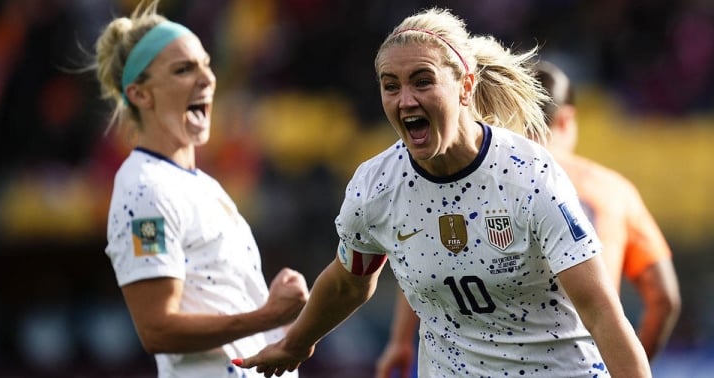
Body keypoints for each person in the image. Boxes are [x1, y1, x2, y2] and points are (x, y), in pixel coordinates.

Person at [237, 7, 651, 377]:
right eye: (390, 85)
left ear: (465, 86)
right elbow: (350, 281)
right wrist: (296, 343)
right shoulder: (376, 186)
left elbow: (601, 313)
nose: (405, 99)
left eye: (422, 81)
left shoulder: (529, 176)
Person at [374, 61, 681, 377]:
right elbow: (664, 297)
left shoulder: (471, 182)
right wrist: (627, 365)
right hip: (583, 359)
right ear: (567, 119)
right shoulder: (612, 190)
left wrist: (399, 339)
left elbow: (431, 263)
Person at [93, 1, 309, 377]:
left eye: (206, 65)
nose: (207, 79)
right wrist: (268, 315)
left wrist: (286, 326)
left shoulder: (203, 185)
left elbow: (222, 305)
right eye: (183, 69)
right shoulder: (145, 189)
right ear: (141, 94)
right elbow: (157, 329)